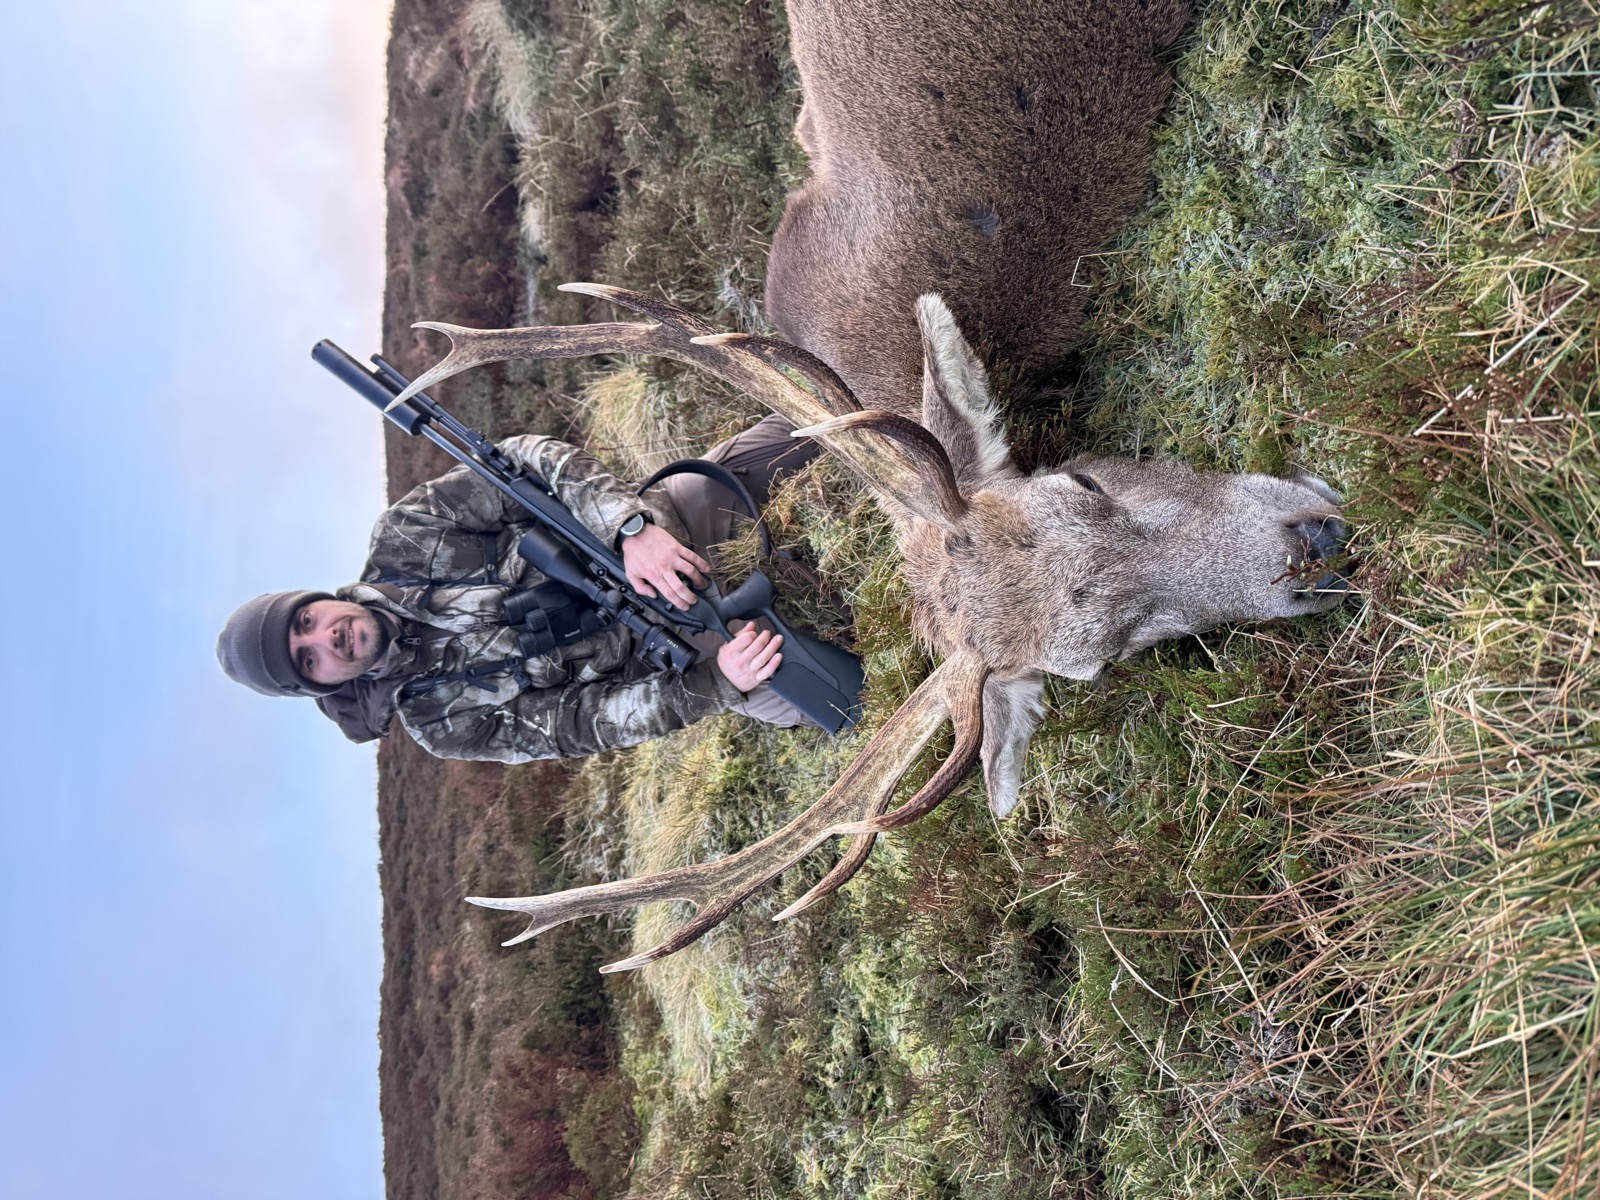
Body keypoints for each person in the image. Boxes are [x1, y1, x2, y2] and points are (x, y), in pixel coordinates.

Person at [216, 414, 824, 763]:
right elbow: (583, 725)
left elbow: (521, 461)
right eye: (310, 659)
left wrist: (630, 528)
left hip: (667, 540)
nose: (328, 637)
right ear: (322, 685)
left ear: (311, 600)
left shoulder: (404, 536)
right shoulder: (440, 722)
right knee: (822, 698)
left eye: (304, 622)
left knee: (805, 428)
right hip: (689, 655)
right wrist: (717, 683)